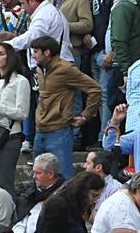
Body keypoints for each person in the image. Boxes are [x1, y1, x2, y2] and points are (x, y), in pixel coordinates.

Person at [30, 35, 98, 179]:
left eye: (36, 51)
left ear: (47, 52)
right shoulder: (39, 69)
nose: (33, 55)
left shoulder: (66, 69)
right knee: (38, 179)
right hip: (40, 131)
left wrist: (85, 115)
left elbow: (95, 89)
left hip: (59, 132)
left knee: (63, 180)